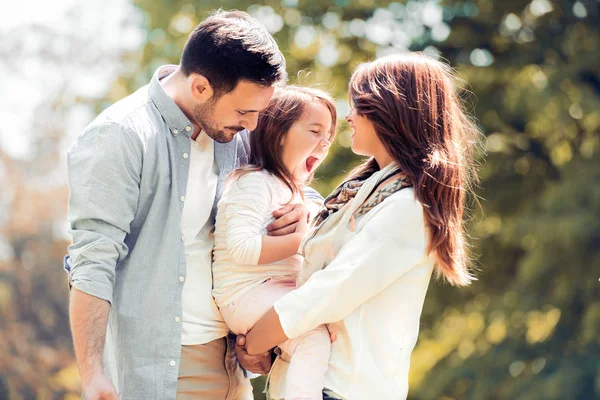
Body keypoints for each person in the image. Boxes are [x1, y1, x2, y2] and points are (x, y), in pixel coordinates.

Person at [64, 10, 319, 400]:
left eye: (259, 113)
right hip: (158, 369)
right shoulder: (120, 136)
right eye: (244, 112)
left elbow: (288, 177)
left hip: (232, 363)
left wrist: (301, 207)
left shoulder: (236, 130)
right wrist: (93, 373)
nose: (253, 126)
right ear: (200, 87)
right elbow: (92, 260)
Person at [241, 53, 482, 399]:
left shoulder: (408, 208)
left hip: (342, 388)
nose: (349, 117)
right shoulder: (363, 196)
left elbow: (330, 291)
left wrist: (256, 341)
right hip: (309, 381)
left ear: (391, 110)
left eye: (359, 105)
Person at [212, 86, 337, 400]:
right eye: (314, 131)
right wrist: (304, 240)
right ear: (279, 132)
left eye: (330, 136)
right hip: (244, 294)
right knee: (312, 336)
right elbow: (242, 248)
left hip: (273, 289)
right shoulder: (253, 181)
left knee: (322, 329)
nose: (324, 143)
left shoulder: (294, 192)